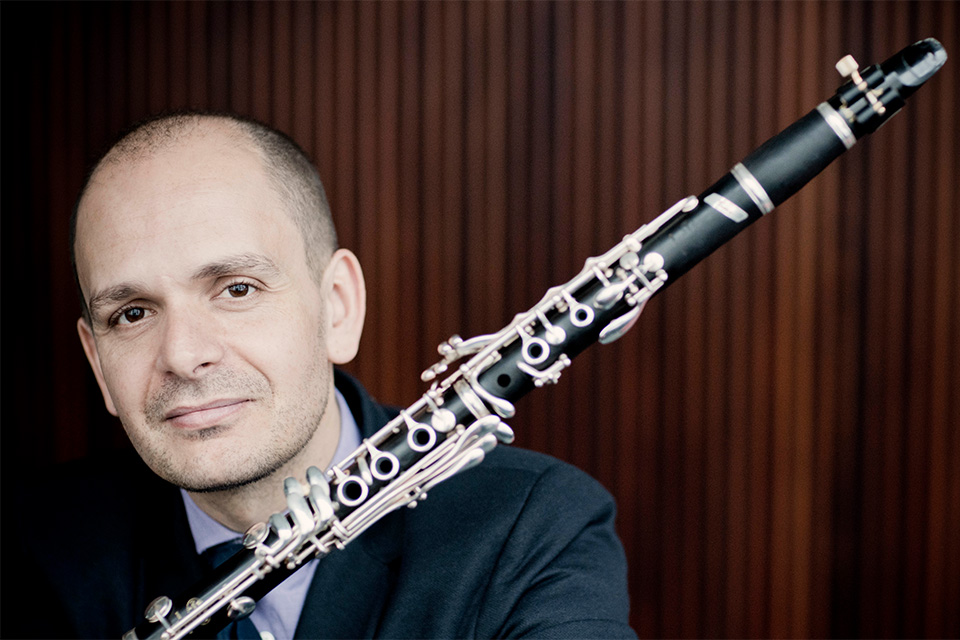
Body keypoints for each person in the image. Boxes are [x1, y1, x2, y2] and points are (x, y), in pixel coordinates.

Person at [7, 112, 634, 639]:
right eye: (133, 313)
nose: (183, 354)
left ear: (337, 306)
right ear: (96, 360)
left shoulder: (533, 529)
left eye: (236, 288)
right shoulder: (35, 551)